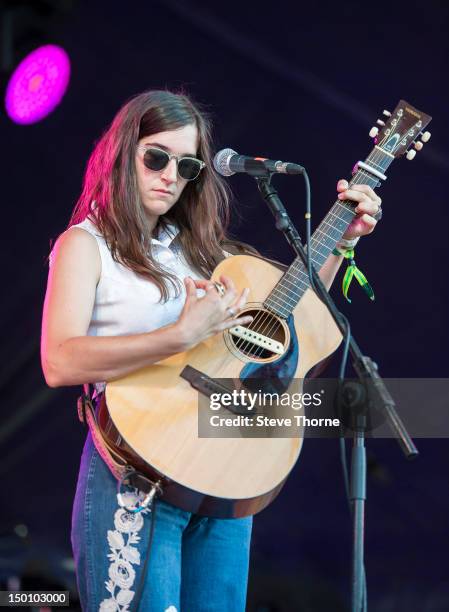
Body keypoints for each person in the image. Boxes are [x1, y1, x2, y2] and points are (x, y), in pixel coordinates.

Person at [40, 89, 382, 612]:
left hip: (223, 476)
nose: (170, 175)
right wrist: (177, 335)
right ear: (121, 152)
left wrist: (342, 242)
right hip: (134, 471)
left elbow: (296, 313)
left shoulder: (208, 255)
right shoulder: (85, 246)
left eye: (188, 165)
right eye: (156, 157)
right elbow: (58, 361)